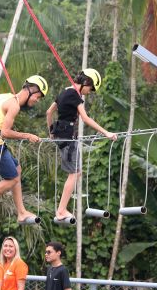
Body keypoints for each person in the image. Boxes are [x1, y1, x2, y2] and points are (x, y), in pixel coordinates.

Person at [0, 75, 48, 222]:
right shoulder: (14, 105)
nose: (36, 101)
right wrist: (27, 135)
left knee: (17, 169)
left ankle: (21, 212)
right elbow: (5, 132)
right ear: (31, 90)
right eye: (38, 97)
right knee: (11, 179)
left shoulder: (4, 97)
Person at [46, 69, 117, 221]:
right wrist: (106, 132)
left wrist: (51, 131)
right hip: (68, 137)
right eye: (90, 89)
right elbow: (85, 118)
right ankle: (61, 210)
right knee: (75, 173)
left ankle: (62, 209)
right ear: (86, 82)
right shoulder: (75, 95)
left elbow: (49, 112)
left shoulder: (65, 92)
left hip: (60, 135)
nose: (89, 92)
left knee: (76, 172)